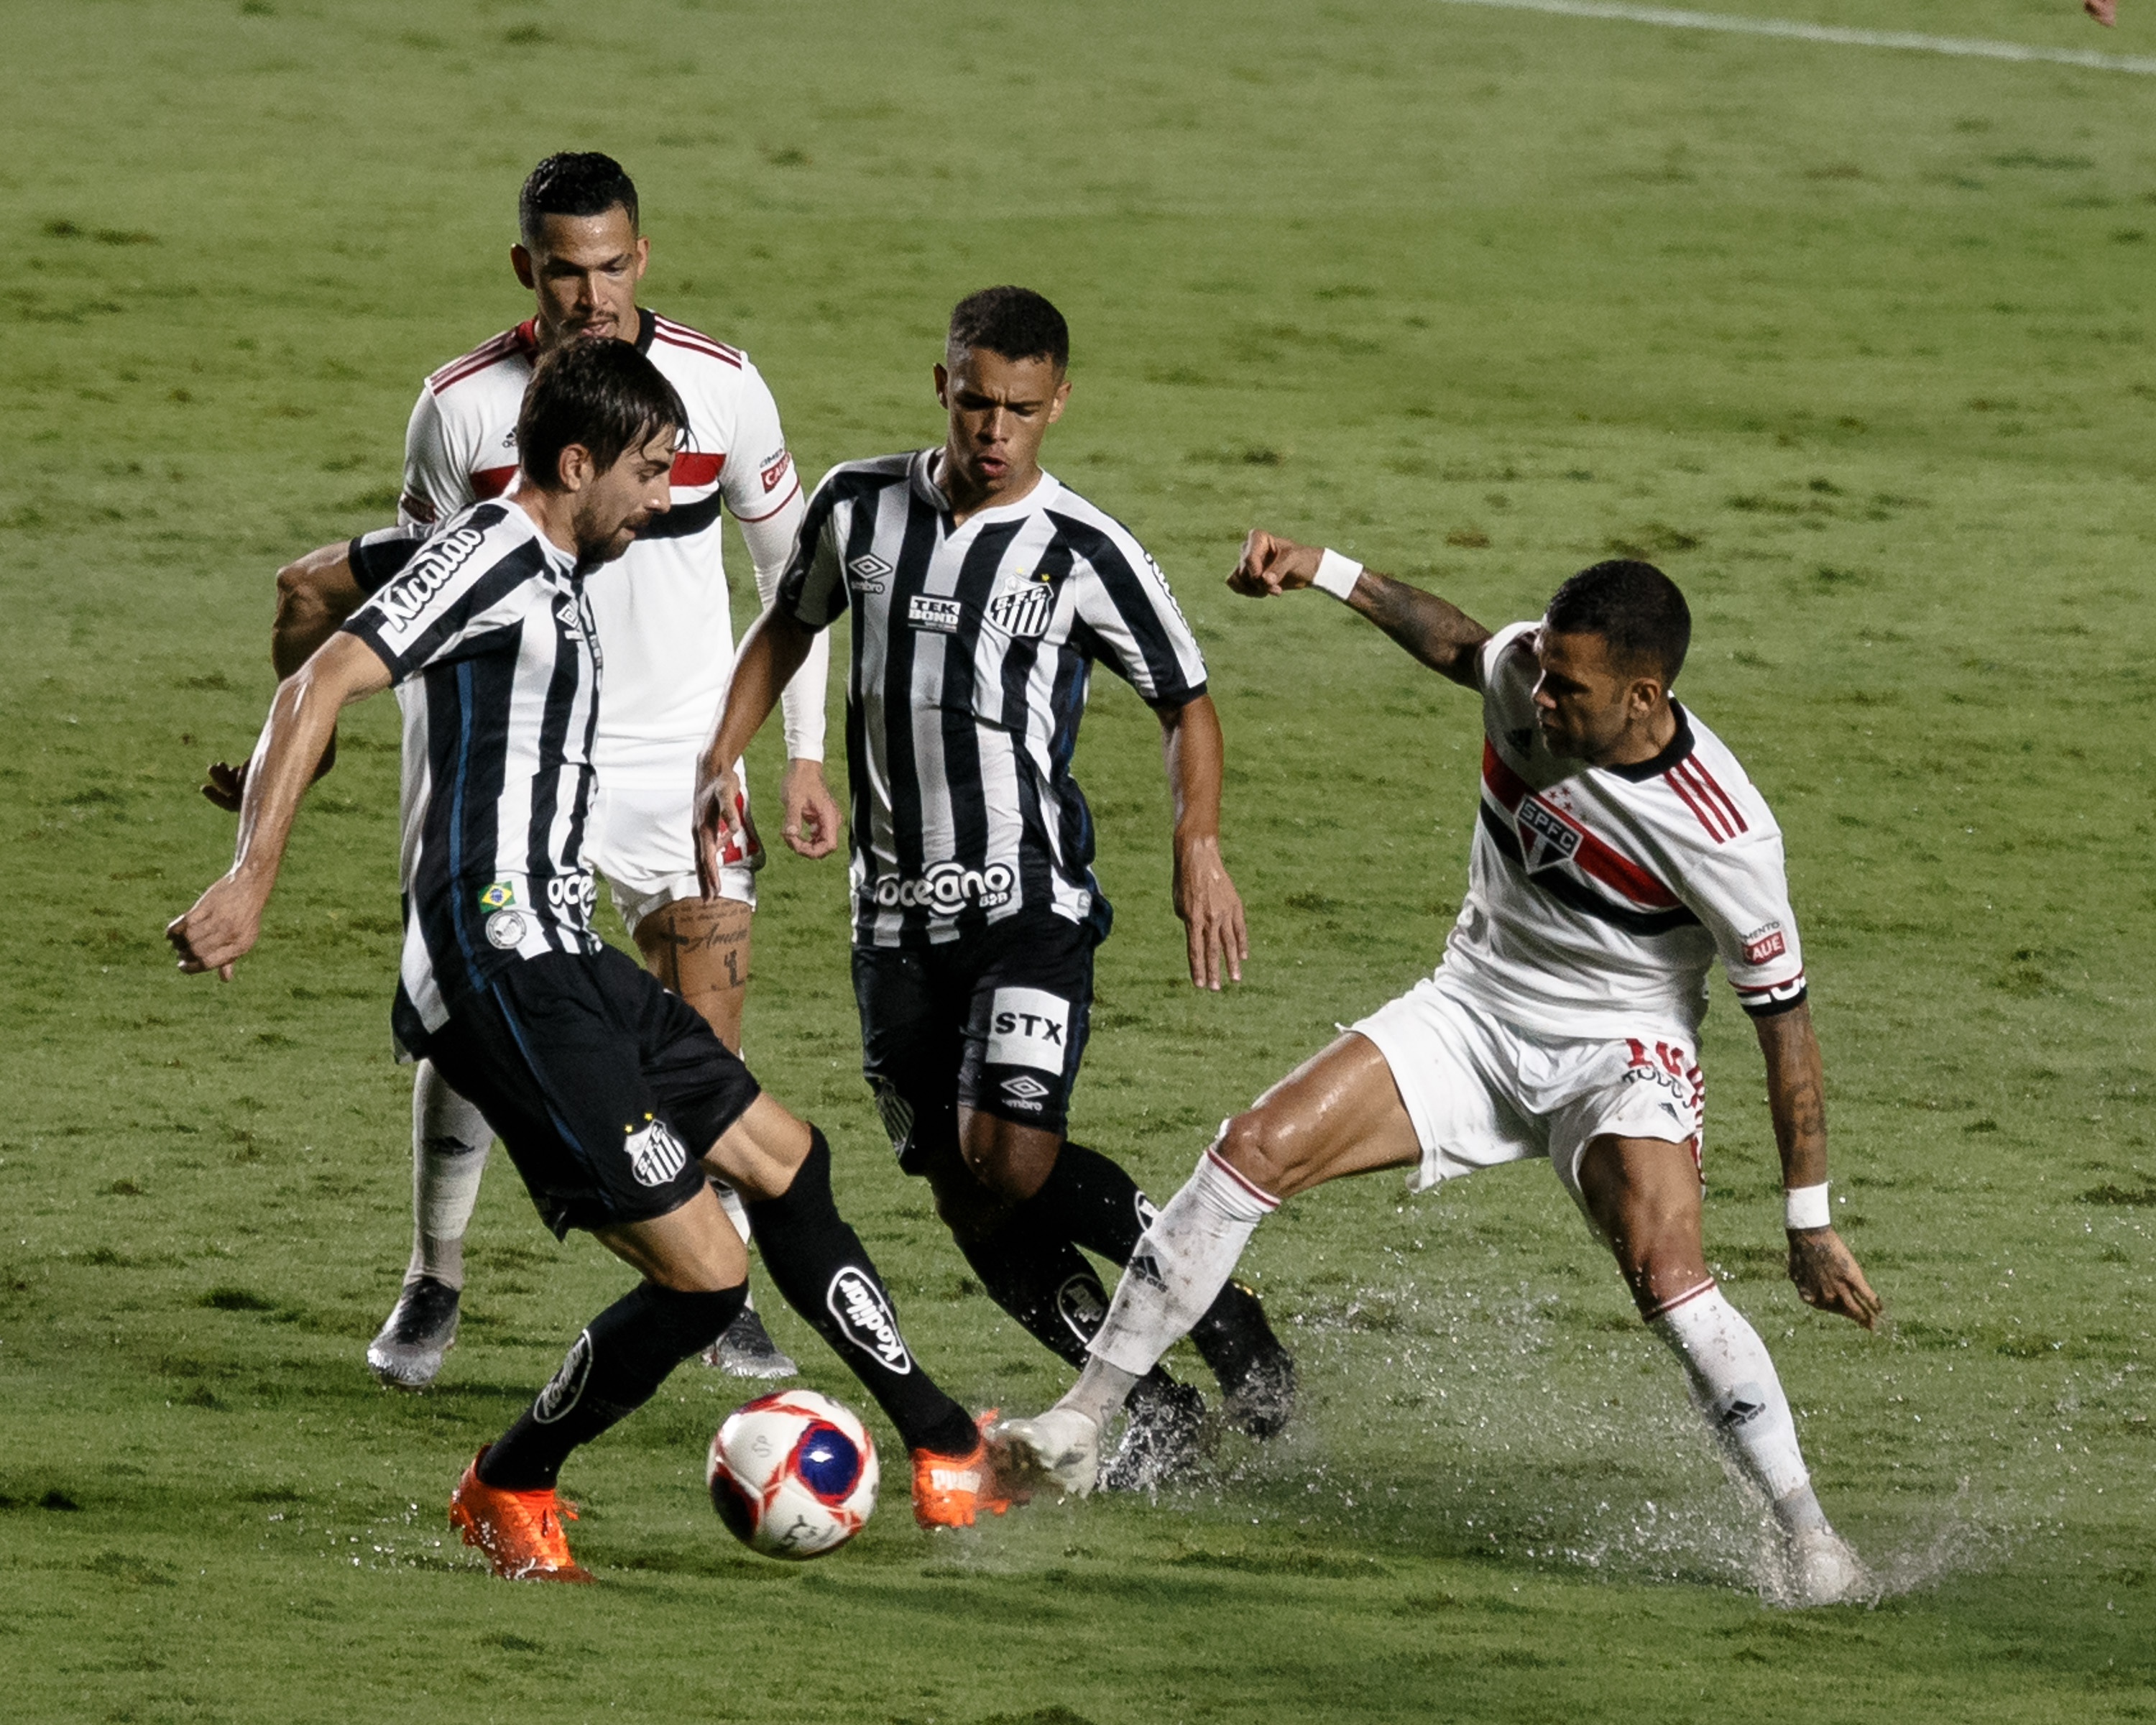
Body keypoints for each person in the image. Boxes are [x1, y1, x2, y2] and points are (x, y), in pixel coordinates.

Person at [170, 340, 1020, 1581]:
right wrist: (251, 872)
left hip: (564, 948)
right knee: (706, 1281)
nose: (665, 499)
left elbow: (307, 587)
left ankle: (944, 1447)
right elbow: (324, 678)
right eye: (650, 472)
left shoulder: (543, 557)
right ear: (576, 464)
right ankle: (509, 1483)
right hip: (497, 965)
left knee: (788, 1164)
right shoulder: (490, 552)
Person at [997, 534, 1884, 1606]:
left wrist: (1808, 1220)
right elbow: (1461, 643)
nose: (1540, 697)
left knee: (1668, 1276)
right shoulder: (1527, 677)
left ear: (1644, 697)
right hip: (1470, 1011)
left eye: (1570, 687)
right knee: (1251, 1149)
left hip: (1618, 1051)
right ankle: (1082, 1422)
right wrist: (1325, 570)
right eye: (1543, 669)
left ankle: (1810, 1539)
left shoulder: (1724, 836)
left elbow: (1786, 1028)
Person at [208, 151, 830, 1387]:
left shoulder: (722, 387)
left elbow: (793, 576)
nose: (592, 295)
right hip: (509, 761)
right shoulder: (458, 409)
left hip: (678, 761)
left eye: (612, 266)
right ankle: (434, 1275)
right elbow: (415, 606)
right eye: (564, 271)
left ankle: (721, 1282)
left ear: (642, 257)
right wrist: (357, 763)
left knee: (701, 1031)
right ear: (525, 269)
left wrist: (798, 752)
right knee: (473, 1025)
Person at [695, 287, 1294, 1487]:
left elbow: (1185, 701)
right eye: (977, 402)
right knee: (962, 1194)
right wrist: (730, 757)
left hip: (1029, 904)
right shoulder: (858, 505)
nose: (995, 430)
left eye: (1021, 409)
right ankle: (1153, 1406)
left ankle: (1222, 1310)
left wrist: (1199, 843)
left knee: (1010, 1157)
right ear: (944, 385)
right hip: (889, 917)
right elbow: (788, 624)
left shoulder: (1085, 549)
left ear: (1058, 403)